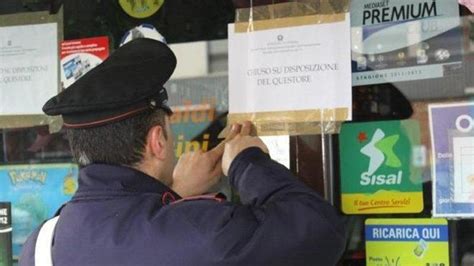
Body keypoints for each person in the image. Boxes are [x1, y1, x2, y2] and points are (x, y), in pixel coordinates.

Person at [19, 38, 346, 266]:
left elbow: (128, 240)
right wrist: (247, 163)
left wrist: (173, 195)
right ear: (157, 141)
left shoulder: (40, 244)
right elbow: (319, 231)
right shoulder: (203, 232)